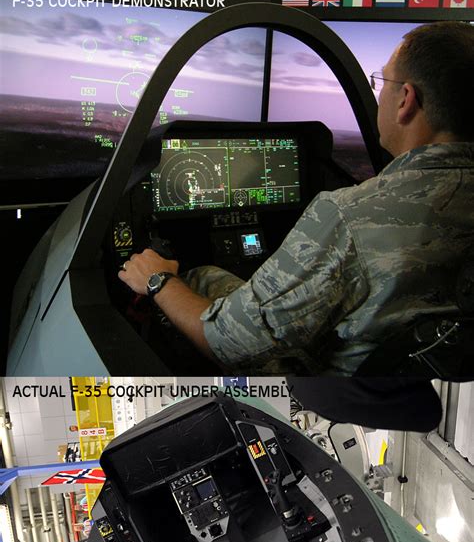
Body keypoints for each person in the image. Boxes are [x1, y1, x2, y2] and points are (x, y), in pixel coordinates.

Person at [118, 22, 474, 375]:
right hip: (419, 373)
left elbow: (226, 343)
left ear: (406, 101)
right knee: (210, 276)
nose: (379, 94)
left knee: (190, 281)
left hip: (337, 385)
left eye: (382, 83)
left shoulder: (349, 216)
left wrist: (158, 280)